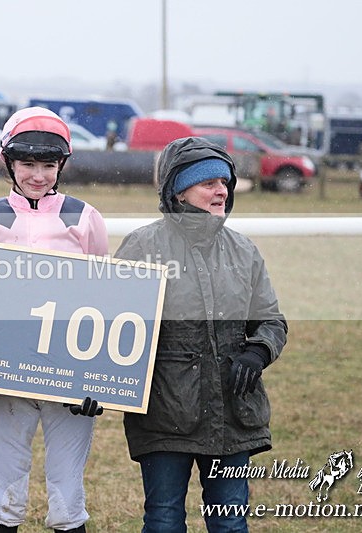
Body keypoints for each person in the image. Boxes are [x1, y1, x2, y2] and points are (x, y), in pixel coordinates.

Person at [114, 136, 288, 533]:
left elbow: (271, 321)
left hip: (233, 413)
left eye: (224, 182)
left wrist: (258, 352)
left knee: (229, 523)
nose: (221, 190)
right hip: (164, 414)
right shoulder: (142, 246)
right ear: (178, 191)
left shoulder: (244, 250)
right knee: (163, 519)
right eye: (208, 183)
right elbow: (112, 327)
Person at [0, 107, 109, 533]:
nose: (38, 175)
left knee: (67, 494)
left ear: (62, 165)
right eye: (28, 163)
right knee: (4, 490)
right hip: (6, 373)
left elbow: (105, 298)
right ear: (9, 162)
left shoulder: (84, 217)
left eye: (48, 165)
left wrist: (97, 377)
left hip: (69, 370)